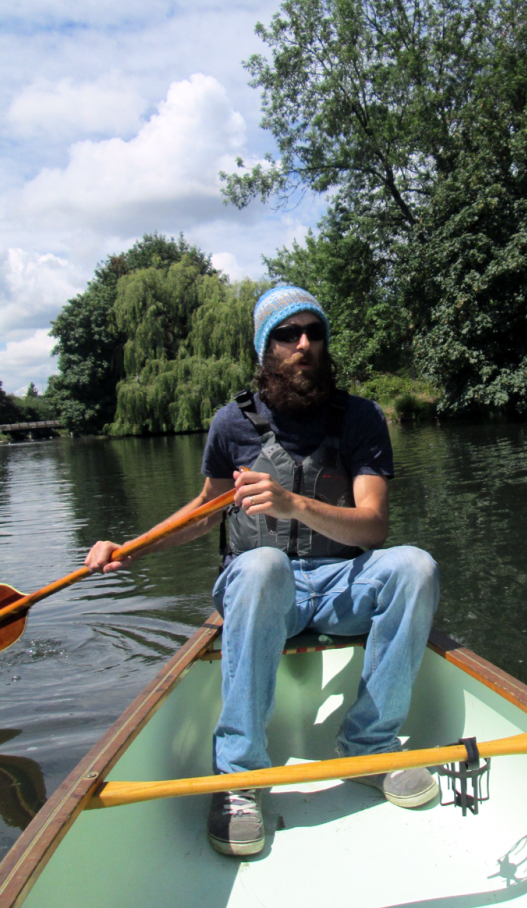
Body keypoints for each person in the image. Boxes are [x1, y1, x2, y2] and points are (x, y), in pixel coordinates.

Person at [85, 285, 440, 857]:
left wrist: (294, 504)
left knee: (416, 567)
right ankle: (239, 780)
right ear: (264, 349)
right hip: (262, 587)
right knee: (264, 564)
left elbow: (373, 527)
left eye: (314, 333)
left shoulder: (361, 418)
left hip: (337, 585)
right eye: (287, 334)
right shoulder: (233, 423)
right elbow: (203, 514)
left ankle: (369, 748)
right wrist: (130, 547)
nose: (304, 344)